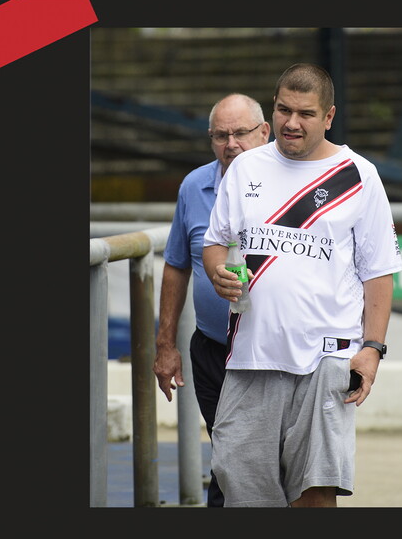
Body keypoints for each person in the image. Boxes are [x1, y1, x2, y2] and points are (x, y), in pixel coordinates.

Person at [202, 63, 402, 507]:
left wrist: (372, 348)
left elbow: (379, 272)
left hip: (326, 358)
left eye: (306, 114)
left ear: (329, 116)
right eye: (283, 110)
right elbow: (216, 243)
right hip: (252, 355)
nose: (291, 123)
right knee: (239, 483)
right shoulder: (245, 167)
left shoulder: (359, 175)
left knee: (315, 490)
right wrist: (218, 271)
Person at [152, 93, 271, 507]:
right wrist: (164, 345)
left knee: (269, 464)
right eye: (221, 135)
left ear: (264, 133)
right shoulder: (195, 186)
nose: (231, 144)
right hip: (213, 351)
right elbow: (175, 265)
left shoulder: (288, 184)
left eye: (241, 133)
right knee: (228, 458)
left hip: (275, 354)